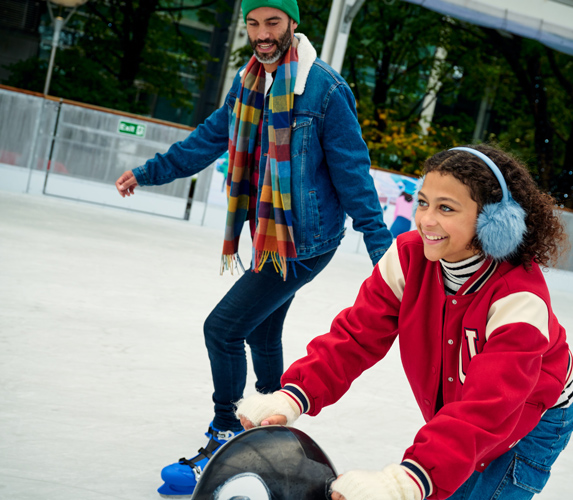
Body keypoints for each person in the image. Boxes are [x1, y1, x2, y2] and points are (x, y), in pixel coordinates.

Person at [114, 0, 392, 495]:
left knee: (221, 329)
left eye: (273, 23)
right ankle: (273, 428)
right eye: (254, 24)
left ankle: (225, 432)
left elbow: (354, 177)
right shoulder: (247, 85)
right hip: (268, 236)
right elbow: (205, 142)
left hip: (303, 244)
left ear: (293, 25)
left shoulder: (323, 90)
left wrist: (387, 261)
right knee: (261, 337)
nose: (262, 34)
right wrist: (148, 171)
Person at [236, 145, 573, 500]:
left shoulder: (519, 298)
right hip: (468, 407)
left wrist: (411, 478)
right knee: (443, 477)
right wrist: (295, 394)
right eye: (424, 202)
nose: (426, 220)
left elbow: (490, 403)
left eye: (446, 208)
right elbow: (355, 337)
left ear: (494, 221)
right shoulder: (408, 256)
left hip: (532, 417)